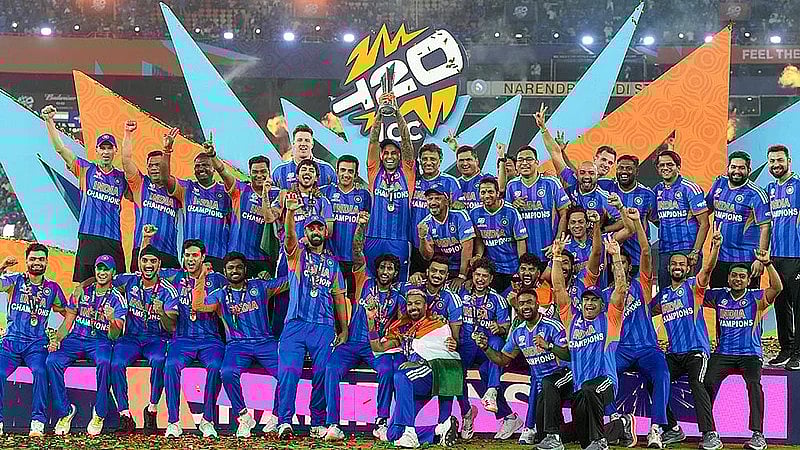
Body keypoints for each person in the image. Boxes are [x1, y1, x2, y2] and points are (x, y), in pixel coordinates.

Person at [323, 212, 404, 441]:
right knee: (331, 369)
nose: (385, 272)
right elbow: (357, 252)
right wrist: (361, 227)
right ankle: (333, 424)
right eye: (382, 268)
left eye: (390, 269)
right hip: (351, 343)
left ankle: (380, 421)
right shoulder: (364, 282)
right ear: (376, 270)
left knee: (387, 371)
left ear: (395, 273)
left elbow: (401, 324)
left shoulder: (398, 297)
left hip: (374, 345)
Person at [193, 252, 288, 437]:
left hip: (264, 342)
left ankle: (276, 417)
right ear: (224, 271)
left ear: (245, 269)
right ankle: (244, 416)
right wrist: (201, 277)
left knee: (286, 373)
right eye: (230, 268)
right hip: (237, 345)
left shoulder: (260, 287)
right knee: (227, 373)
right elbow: (198, 306)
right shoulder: (220, 295)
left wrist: (297, 258)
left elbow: (289, 281)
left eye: (238, 267)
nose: (234, 271)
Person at [276, 203, 348, 439]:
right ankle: (284, 420)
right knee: (289, 369)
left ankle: (318, 421)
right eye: (310, 229)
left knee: (322, 372)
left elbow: (339, 297)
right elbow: (288, 240)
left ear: (325, 233)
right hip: (296, 323)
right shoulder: (297, 256)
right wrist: (290, 213)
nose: (315, 232)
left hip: (324, 325)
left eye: (319, 228)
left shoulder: (333, 265)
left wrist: (343, 328)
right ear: (305, 233)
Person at [601, 209, 670, 449]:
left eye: (622, 262)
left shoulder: (641, 285)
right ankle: (617, 420)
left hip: (647, 349)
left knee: (662, 374)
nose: (618, 266)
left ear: (629, 268)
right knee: (601, 377)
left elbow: (645, 250)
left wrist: (638, 222)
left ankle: (656, 429)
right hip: (620, 350)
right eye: (615, 263)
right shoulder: (604, 296)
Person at [552, 234, 626, 450]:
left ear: (602, 305)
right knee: (582, 441)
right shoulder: (571, 320)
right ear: (581, 302)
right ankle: (618, 428)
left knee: (589, 390)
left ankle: (600, 440)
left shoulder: (610, 319)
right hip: (579, 388)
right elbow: (558, 288)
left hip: (605, 382)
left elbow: (621, 289)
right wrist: (557, 257)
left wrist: (616, 258)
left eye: (595, 300)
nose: (590, 303)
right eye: (587, 299)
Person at [703, 248, 782, 450]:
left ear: (748, 280)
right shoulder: (718, 296)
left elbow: (778, 287)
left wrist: (767, 263)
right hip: (723, 353)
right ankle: (709, 433)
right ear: (728, 278)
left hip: (750, 354)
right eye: (734, 276)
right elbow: (698, 288)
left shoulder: (757, 297)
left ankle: (758, 435)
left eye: (742, 276)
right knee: (707, 383)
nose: (738, 279)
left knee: (755, 385)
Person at [42, 105, 130, 281]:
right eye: (102, 148)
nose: (106, 152)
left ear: (115, 151)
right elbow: (61, 150)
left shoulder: (122, 177)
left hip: (112, 239)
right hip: (88, 236)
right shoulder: (85, 169)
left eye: (109, 148)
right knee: (84, 286)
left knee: (117, 284)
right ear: (96, 150)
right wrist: (49, 121)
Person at [475, 288, 571, 450]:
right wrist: (486, 348)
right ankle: (561, 434)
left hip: (565, 376)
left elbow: (568, 355)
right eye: (521, 304)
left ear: (537, 304)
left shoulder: (552, 325)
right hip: (543, 386)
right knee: (541, 432)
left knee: (549, 383)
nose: (526, 306)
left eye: (529, 302)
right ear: (517, 308)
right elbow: (503, 360)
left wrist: (549, 346)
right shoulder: (518, 333)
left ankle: (555, 440)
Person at [654, 224, 722, 450]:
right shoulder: (662, 296)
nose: (677, 267)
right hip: (673, 353)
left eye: (681, 264)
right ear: (668, 267)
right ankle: (673, 429)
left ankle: (710, 433)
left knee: (697, 383)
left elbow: (708, 269)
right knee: (655, 381)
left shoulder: (694, 287)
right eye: (673, 264)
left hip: (696, 352)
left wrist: (716, 247)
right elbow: (644, 312)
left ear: (687, 267)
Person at [47, 255, 127, 436]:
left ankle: (99, 413)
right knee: (52, 361)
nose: (102, 272)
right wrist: (57, 339)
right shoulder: (82, 292)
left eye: (106, 269)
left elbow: (115, 335)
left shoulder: (117, 299)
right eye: (99, 268)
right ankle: (65, 411)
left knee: (105, 363)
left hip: (100, 341)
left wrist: (112, 319)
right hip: (76, 338)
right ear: (95, 270)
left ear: (113, 272)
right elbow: (67, 322)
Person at [159, 239, 228, 438]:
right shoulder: (174, 278)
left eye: (194, 255)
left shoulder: (217, 280)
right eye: (187, 255)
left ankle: (207, 420)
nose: (190, 259)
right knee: (171, 365)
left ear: (203, 257)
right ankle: (173, 422)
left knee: (216, 366)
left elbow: (237, 284)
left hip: (210, 338)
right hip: (182, 338)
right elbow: (147, 269)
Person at [109, 238, 179, 434]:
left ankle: (152, 409)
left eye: (153, 261)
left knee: (159, 360)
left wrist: (162, 312)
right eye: (145, 261)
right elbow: (103, 279)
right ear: (139, 263)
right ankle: (124, 414)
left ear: (159, 265)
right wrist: (83, 286)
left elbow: (172, 327)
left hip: (157, 338)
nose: (148, 265)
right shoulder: (129, 280)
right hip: (131, 338)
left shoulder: (167, 290)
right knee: (116, 363)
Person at [0, 244, 70, 436]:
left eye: (41, 259)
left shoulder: (53, 288)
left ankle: (37, 421)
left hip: (36, 345)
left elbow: (66, 312)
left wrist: (61, 334)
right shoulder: (15, 280)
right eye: (33, 259)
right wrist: (2, 266)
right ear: (27, 260)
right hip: (11, 342)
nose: (37, 262)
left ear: (47, 262)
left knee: (40, 371)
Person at [381, 290, 461, 448]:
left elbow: (443, 352)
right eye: (409, 304)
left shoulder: (437, 324)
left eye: (417, 303)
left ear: (426, 306)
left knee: (401, 376)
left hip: (435, 373)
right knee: (392, 434)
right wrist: (370, 323)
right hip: (417, 380)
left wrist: (419, 362)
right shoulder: (403, 327)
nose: (413, 307)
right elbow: (379, 346)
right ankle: (439, 431)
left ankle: (410, 433)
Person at [454, 258, 522, 440]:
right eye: (477, 275)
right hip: (466, 343)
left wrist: (498, 328)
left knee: (495, 349)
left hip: (486, 346)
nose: (480, 279)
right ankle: (468, 414)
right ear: (472, 276)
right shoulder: (461, 293)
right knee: (456, 374)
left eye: (485, 276)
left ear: (491, 279)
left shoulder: (498, 300)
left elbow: (506, 328)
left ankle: (492, 391)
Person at [403, 254, 463, 423]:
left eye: (442, 272)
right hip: (412, 351)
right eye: (434, 270)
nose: (437, 275)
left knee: (450, 367)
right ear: (427, 271)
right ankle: (404, 425)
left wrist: (454, 342)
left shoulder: (453, 299)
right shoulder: (412, 287)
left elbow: (455, 338)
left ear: (447, 276)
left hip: (438, 355)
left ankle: (445, 423)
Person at [365, 93, 416, 280]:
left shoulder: (407, 172)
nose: (389, 156)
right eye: (385, 152)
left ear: (400, 156)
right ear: (380, 155)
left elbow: (407, 141)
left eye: (394, 153)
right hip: (373, 237)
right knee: (371, 282)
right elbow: (373, 142)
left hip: (400, 240)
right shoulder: (374, 172)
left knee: (398, 284)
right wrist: (380, 113)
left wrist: (397, 113)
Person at [161, 139, 232, 272]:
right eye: (197, 166)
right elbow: (165, 178)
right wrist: (167, 151)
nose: (200, 169)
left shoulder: (225, 192)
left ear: (213, 169)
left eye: (205, 165)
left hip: (217, 256)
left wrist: (213, 156)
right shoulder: (186, 188)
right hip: (191, 257)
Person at [121, 121, 182, 270]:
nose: (155, 168)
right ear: (147, 168)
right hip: (141, 251)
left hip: (168, 254)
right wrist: (128, 133)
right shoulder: (140, 184)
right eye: (151, 165)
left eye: (159, 165)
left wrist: (168, 149)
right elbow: (126, 160)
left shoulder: (177, 189)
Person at [706, 151, 771, 289]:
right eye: (733, 167)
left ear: (749, 170)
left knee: (746, 306)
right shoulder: (719, 184)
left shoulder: (756, 194)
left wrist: (760, 260)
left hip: (745, 260)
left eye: (741, 168)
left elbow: (765, 227)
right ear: (728, 168)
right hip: (718, 258)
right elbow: (705, 210)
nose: (737, 171)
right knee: (720, 304)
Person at [764, 144, 800, 369]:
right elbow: (767, 225)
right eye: (772, 161)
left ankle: (798, 353)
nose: (776, 164)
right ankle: (785, 349)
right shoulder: (769, 188)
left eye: (780, 160)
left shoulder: (798, 186)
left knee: (799, 307)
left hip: (797, 257)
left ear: (789, 161)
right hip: (776, 258)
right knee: (781, 305)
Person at [654, 149, 710, 292]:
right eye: (661, 165)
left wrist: (695, 251)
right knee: (666, 296)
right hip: (665, 250)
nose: (665, 168)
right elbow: (653, 217)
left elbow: (704, 223)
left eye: (669, 164)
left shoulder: (690, 188)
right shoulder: (657, 190)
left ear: (678, 167)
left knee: (690, 297)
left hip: (687, 250)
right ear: (658, 169)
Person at [504, 143, 570, 261]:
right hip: (524, 256)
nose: (524, 163)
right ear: (517, 164)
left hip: (550, 251)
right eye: (521, 160)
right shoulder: (511, 186)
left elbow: (564, 214)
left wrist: (557, 241)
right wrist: (513, 208)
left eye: (529, 159)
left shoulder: (551, 183)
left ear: (537, 162)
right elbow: (507, 221)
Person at [535, 103, 617, 193]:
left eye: (610, 163)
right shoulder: (572, 180)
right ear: (595, 158)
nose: (606, 165)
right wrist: (543, 128)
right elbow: (555, 153)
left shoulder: (609, 186)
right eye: (604, 159)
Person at [321, 154, 372, 298]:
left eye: (350, 171)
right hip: (330, 257)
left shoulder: (364, 195)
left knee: (351, 298)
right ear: (336, 172)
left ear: (356, 174)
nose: (346, 174)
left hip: (353, 258)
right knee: (330, 297)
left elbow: (366, 224)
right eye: (343, 170)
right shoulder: (325, 192)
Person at [410, 143, 462, 274]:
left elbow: (458, 211)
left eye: (433, 159)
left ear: (440, 161)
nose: (428, 162)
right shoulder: (412, 180)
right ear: (420, 161)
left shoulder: (451, 182)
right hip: (413, 244)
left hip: (439, 247)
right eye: (425, 159)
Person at [470, 176, 528, 293]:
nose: (487, 195)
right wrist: (478, 255)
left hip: (512, 268)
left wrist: (521, 268)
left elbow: (520, 241)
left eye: (490, 191)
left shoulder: (511, 211)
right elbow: (480, 239)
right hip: (493, 270)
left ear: (498, 193)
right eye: (483, 192)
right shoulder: (474, 213)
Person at [226, 155, 282, 277]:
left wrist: (265, 193)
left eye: (263, 171)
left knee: (261, 295)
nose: (259, 175)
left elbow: (271, 218)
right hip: (238, 257)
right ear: (249, 173)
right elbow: (222, 172)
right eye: (255, 172)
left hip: (264, 260)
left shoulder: (278, 194)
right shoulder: (240, 190)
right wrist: (213, 156)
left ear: (269, 172)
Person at [605, 155, 658, 276]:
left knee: (637, 294)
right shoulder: (606, 187)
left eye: (629, 168)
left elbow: (656, 220)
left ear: (636, 171)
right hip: (611, 257)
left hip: (637, 257)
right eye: (621, 168)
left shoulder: (647, 195)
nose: (624, 171)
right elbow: (581, 178)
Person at [417, 185, 475, 286]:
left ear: (447, 201)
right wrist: (422, 238)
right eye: (430, 199)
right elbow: (428, 256)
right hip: (445, 268)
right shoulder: (425, 223)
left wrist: (462, 276)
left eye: (438, 198)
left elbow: (468, 247)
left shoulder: (460, 216)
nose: (433, 202)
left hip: (466, 268)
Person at [271, 124, 337, 189]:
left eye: (307, 140)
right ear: (293, 144)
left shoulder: (327, 170)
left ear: (312, 144)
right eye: (299, 140)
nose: (303, 144)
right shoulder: (279, 172)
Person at [450, 139, 507, 212]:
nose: (465, 163)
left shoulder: (485, 178)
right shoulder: (455, 183)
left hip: (483, 222)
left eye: (468, 160)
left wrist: (501, 158)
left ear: (476, 161)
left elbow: (501, 188)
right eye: (461, 160)